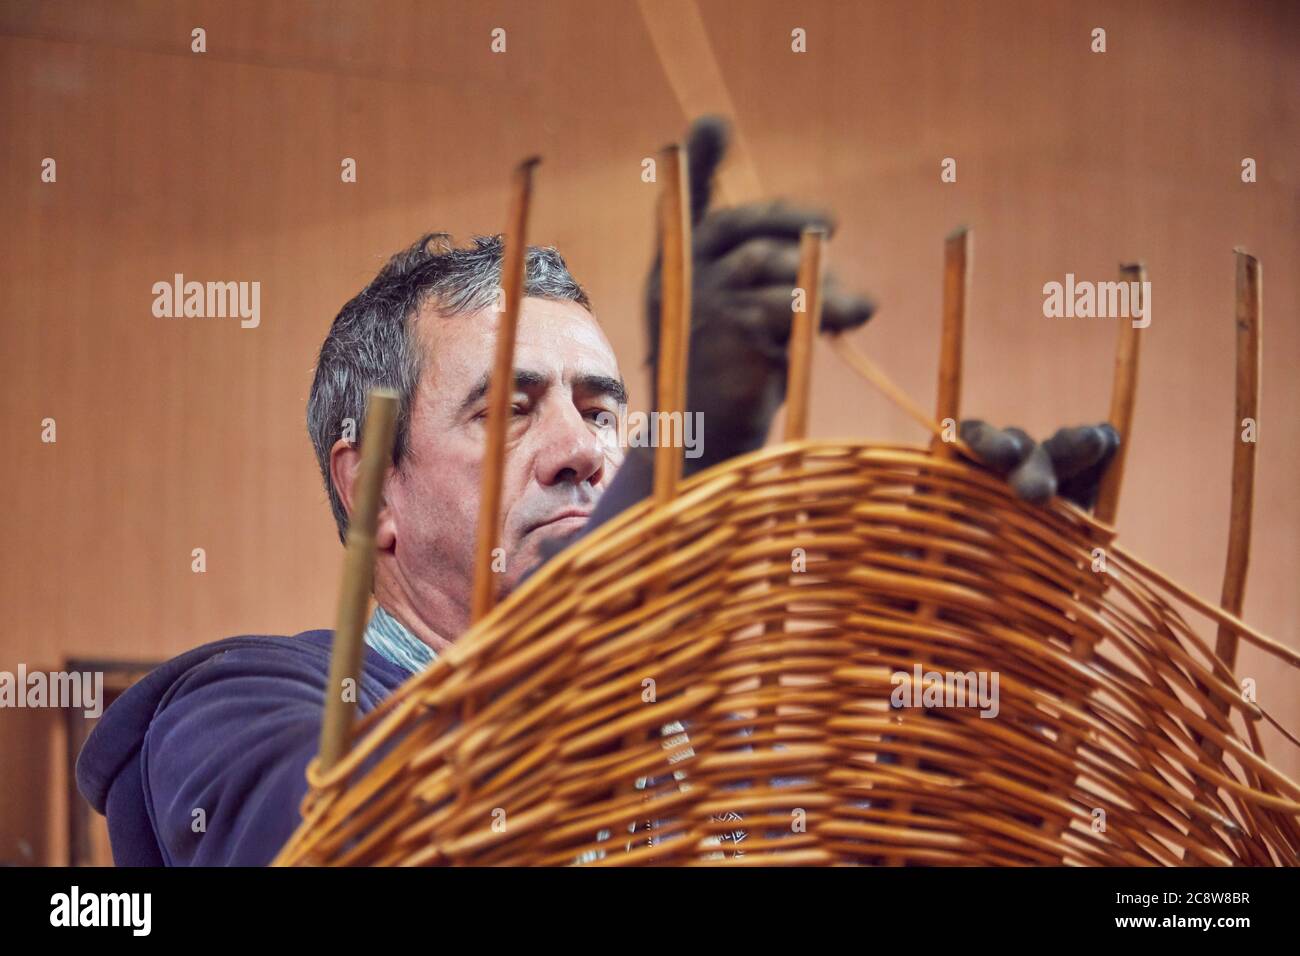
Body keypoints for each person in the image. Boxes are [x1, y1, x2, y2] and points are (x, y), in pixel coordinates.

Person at [76, 118, 1117, 866]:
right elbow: (368, 842)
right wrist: (677, 480)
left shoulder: (719, 730)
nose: (583, 451)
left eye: (608, 411)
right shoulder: (245, 707)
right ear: (370, 492)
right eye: (508, 408)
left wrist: (996, 649)